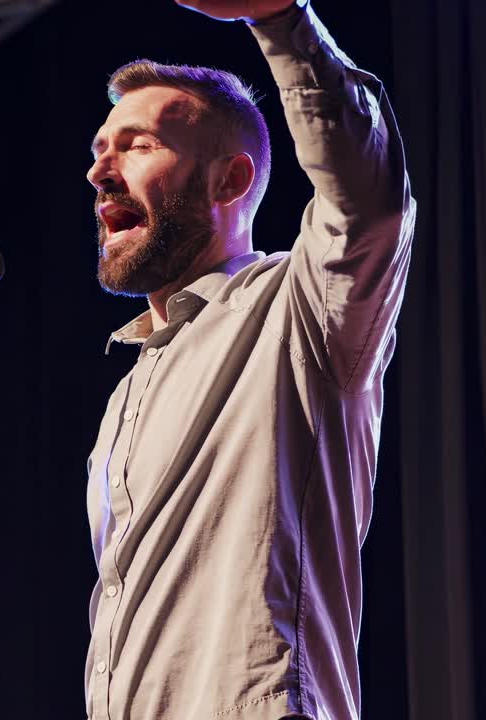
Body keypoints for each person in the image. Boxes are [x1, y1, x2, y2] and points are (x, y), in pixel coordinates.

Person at [83, 1, 415, 719]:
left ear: (229, 183)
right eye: (98, 150)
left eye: (136, 146)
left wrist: (279, 19)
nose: (99, 173)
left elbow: (368, 203)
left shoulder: (297, 311)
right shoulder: (127, 391)